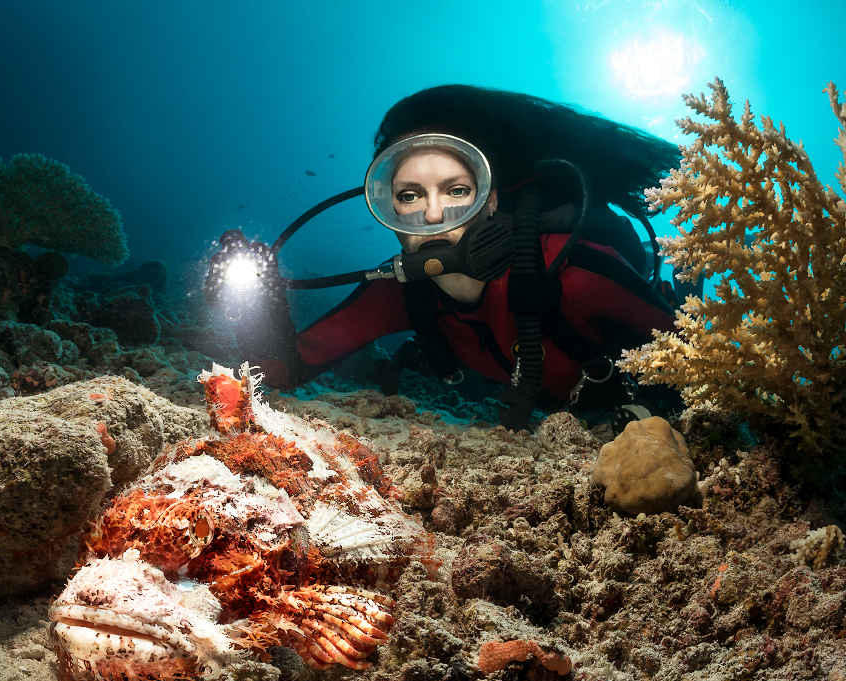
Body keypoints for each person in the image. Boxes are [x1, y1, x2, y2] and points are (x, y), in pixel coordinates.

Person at [214, 84, 685, 431]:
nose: (433, 214)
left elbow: (697, 364)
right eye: (410, 195)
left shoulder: (576, 272)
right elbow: (282, 371)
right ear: (387, 209)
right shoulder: (397, 294)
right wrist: (261, 303)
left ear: (493, 198)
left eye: (457, 190)